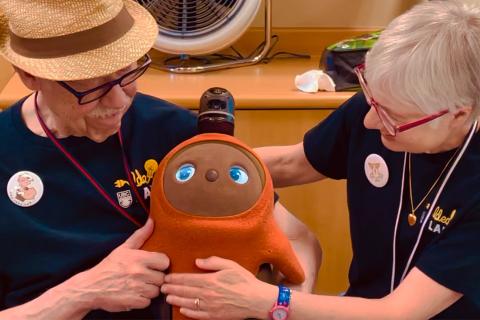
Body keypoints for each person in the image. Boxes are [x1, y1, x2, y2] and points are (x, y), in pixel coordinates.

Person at [0, 0, 321, 319]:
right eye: (92, 86)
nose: (119, 100)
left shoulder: (173, 131)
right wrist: (80, 294)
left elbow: (297, 238)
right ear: (29, 75)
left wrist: (280, 305)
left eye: (127, 72)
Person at [161, 1, 480, 319]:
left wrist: (268, 301)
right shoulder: (379, 108)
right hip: (356, 302)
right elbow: (293, 163)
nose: (369, 121)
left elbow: (398, 313)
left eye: (390, 116)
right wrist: (184, 171)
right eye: (370, 97)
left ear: (457, 114)